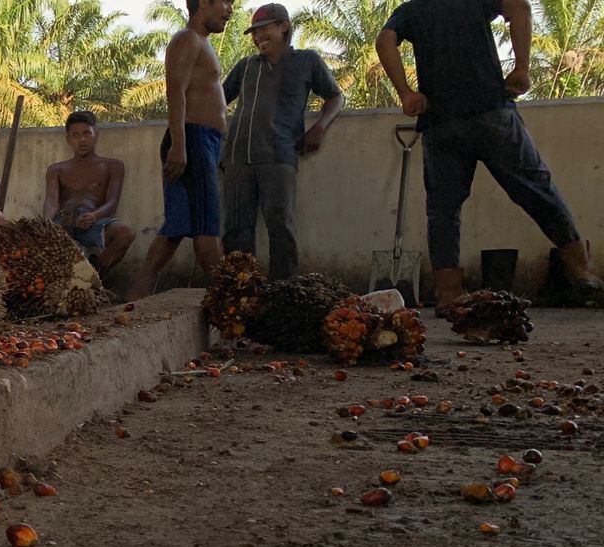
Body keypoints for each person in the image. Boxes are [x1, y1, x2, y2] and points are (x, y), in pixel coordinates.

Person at [377, 0, 603, 313]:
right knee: (536, 187)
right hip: (491, 113)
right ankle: (582, 271)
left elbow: (384, 40)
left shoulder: (413, 9)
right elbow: (520, 7)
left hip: (442, 124)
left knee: (443, 210)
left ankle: (448, 294)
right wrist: (521, 67)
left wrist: (406, 93)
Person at [221, 4, 344, 280]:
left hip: (279, 156)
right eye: (253, 33)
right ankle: (238, 297)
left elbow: (336, 97)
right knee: (235, 231)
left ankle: (283, 293)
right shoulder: (247, 67)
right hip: (236, 158)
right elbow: (218, 100)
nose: (257, 37)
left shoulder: (307, 61)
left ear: (284, 27)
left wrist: (320, 127)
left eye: (263, 30)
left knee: (281, 227)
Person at [127, 0, 235, 300]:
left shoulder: (201, 42)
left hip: (201, 141)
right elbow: (175, 92)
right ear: (202, 4)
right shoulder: (186, 40)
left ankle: (135, 296)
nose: (230, 9)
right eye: (225, 2)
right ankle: (229, 307)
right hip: (192, 139)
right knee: (206, 227)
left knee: (177, 226)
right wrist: (179, 145)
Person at [43, 111, 136, 275]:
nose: (82, 140)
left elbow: (112, 202)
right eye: (75, 135)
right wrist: (48, 225)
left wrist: (94, 216)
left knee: (126, 233)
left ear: (96, 135)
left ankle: (94, 274)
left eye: (87, 133)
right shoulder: (57, 169)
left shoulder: (113, 166)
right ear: (68, 139)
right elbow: (52, 201)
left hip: (93, 221)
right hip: (63, 221)